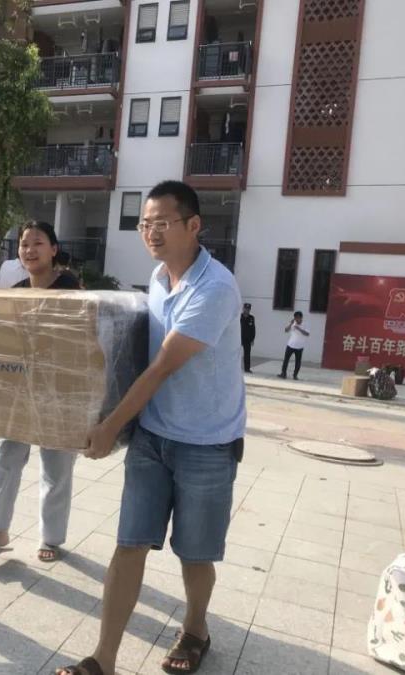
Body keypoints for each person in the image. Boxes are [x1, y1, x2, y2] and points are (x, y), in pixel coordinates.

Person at [57, 181, 245, 675]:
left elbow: (162, 366)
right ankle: (103, 659)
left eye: (161, 223)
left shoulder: (215, 287)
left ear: (193, 225)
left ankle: (196, 630)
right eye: (144, 224)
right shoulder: (159, 277)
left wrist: (108, 426)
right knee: (129, 543)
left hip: (206, 444)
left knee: (194, 554)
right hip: (152, 438)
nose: (150, 233)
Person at [0, 221, 82, 564]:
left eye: (38, 243)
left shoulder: (70, 287)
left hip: (59, 392)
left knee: (56, 466)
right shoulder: (16, 290)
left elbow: (75, 341)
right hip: (18, 392)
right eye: (24, 244)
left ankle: (50, 537)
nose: (29, 250)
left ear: (53, 248)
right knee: (4, 458)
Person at [278, 311, 309, 380]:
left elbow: (307, 334)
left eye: (298, 318)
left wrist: (299, 328)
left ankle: (295, 375)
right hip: (290, 345)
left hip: (299, 347)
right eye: (295, 318)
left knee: (298, 362)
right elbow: (286, 330)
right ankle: (283, 373)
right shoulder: (293, 323)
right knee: (286, 360)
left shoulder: (305, 324)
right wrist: (290, 324)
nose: (296, 319)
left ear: (301, 318)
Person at [240, 302, 255, 373]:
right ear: (243, 309)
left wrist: (252, 339)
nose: (247, 310)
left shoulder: (251, 318)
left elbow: (253, 329)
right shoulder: (239, 317)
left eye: (248, 309)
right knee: (236, 353)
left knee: (247, 354)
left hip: (248, 339)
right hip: (239, 338)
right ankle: (235, 368)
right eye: (246, 308)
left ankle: (247, 368)